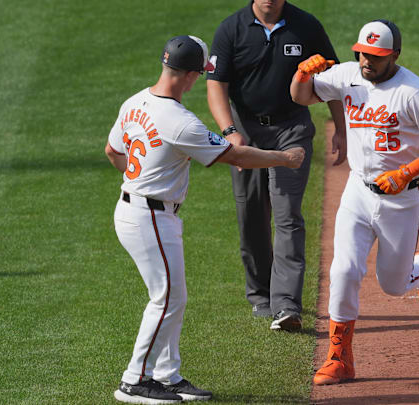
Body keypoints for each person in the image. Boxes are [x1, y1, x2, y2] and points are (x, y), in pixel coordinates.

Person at [104, 35, 305, 404]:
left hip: (135, 209)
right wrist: (284, 158)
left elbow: (113, 151)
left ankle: (167, 375)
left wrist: (138, 179)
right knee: (165, 298)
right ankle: (135, 380)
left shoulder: (134, 101)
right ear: (191, 74)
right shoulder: (180, 122)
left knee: (172, 297)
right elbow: (238, 157)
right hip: (149, 216)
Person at [290, 20, 419, 385]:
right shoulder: (347, 75)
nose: (368, 61)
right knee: (343, 271)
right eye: (363, 53)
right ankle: (339, 358)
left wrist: (406, 171)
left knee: (393, 286)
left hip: (404, 199)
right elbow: (300, 97)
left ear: (394, 55)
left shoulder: (415, 92)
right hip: (358, 191)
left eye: (377, 56)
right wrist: (302, 74)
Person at [206, 0, 346, 331]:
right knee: (252, 212)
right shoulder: (231, 29)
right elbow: (216, 84)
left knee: (287, 215)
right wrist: (230, 132)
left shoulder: (306, 26)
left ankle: (286, 304)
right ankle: (260, 294)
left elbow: (334, 78)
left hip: (292, 128)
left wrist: (341, 128)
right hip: (246, 130)